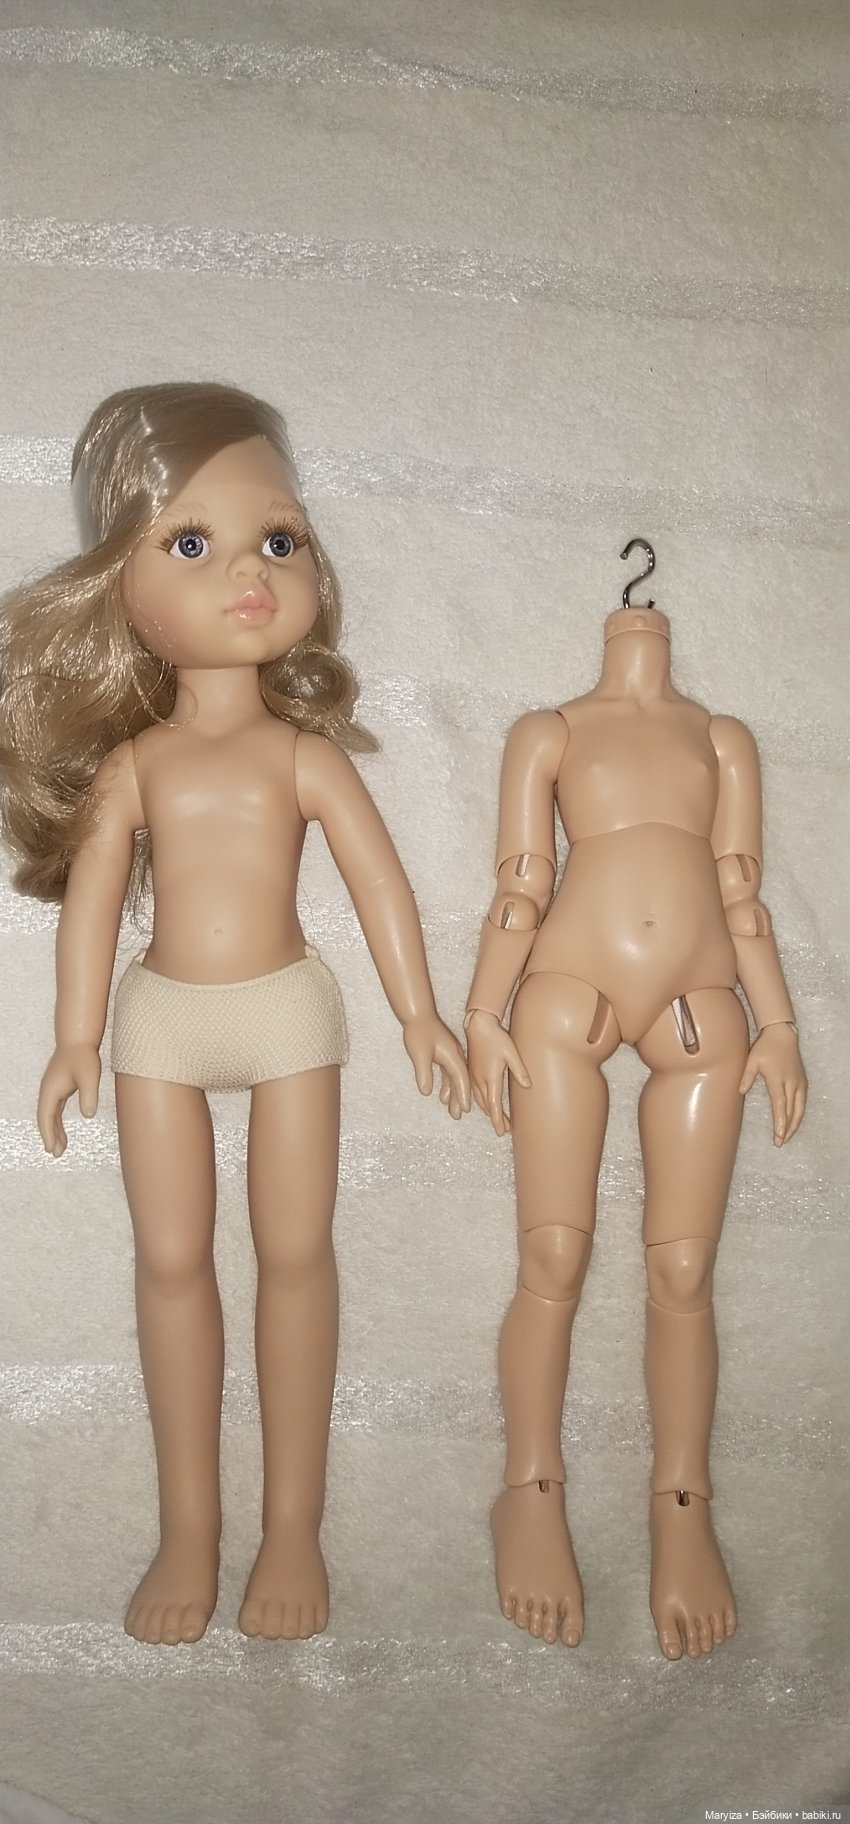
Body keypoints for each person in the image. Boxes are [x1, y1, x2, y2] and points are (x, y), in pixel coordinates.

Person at [1, 381, 469, 1646]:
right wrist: (75, 1038)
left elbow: (380, 886)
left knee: (297, 1257)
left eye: (278, 538)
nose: (249, 574)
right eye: (192, 543)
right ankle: (190, 1530)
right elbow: (92, 903)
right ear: (119, 581)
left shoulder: (303, 755)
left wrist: (419, 1015)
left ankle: (293, 1527)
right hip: (160, 1021)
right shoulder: (134, 765)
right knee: (170, 1264)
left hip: (287, 1015)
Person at [464, 589, 806, 1660]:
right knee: (552, 1256)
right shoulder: (549, 731)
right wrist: (481, 1011)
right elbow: (522, 885)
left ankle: (681, 1502)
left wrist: (780, 1023)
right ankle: (528, 1485)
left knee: (685, 1271)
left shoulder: (722, 738)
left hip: (701, 1004)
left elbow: (740, 896)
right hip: (567, 990)